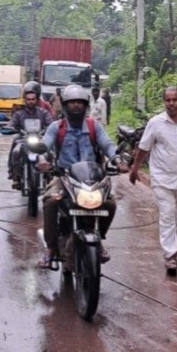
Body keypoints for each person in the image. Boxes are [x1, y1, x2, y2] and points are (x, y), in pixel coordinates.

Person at [36, 84, 128, 268]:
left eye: (80, 102)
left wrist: (118, 160)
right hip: (64, 177)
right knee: (50, 201)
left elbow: (107, 145)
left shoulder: (94, 126)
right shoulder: (56, 127)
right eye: (72, 102)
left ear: (86, 105)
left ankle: (99, 238)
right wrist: (42, 158)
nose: (76, 105)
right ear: (65, 105)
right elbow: (45, 145)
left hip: (91, 178)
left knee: (110, 204)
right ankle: (51, 248)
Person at [129, 87, 177, 275]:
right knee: (167, 214)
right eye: (168, 100)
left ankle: (175, 250)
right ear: (164, 102)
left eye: (174, 100)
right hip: (162, 177)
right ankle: (170, 254)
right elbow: (144, 148)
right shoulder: (155, 123)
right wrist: (135, 168)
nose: (171, 103)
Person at [7, 82, 53, 190]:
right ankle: (15, 175)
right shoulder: (19, 113)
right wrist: (10, 128)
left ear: (37, 100)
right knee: (16, 150)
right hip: (23, 138)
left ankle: (50, 173)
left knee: (50, 152)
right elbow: (12, 123)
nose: (31, 101)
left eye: (33, 99)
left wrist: (49, 128)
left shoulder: (43, 112)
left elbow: (51, 123)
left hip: (40, 138)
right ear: (25, 100)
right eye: (28, 99)